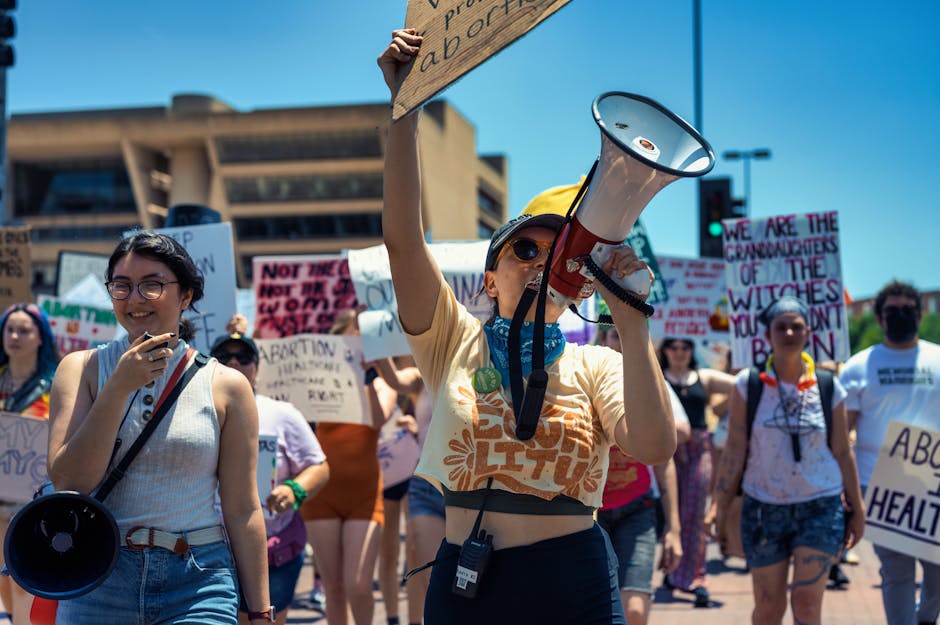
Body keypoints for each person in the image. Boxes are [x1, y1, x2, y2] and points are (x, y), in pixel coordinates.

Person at [379, 29, 676, 625]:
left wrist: (632, 325)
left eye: (555, 254)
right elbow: (404, 242)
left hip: (574, 583)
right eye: (524, 251)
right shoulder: (453, 342)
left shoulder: (598, 364)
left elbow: (653, 446)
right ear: (490, 281)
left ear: (579, 282)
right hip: (467, 582)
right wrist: (404, 112)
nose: (540, 262)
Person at [46, 232, 271, 624]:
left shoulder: (227, 385)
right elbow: (70, 480)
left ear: (185, 296)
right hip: (97, 576)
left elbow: (242, 509)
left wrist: (261, 611)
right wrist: (117, 388)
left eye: (152, 285)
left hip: (198, 579)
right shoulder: (80, 369)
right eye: (122, 285)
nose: (135, 298)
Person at [707, 295, 865, 625]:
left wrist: (858, 508)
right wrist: (718, 506)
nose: (789, 333)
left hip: (820, 506)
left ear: (808, 333)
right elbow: (734, 450)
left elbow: (842, 450)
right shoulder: (748, 384)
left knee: (806, 605)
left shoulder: (828, 386)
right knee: (768, 609)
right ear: (768, 335)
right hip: (764, 508)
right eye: (781, 327)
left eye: (796, 327)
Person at [209, 317, 331, 625]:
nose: (234, 363)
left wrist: (294, 490)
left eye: (244, 357)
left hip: (271, 550)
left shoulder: (282, 413)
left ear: (257, 368)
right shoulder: (192, 411)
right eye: (224, 357)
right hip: (207, 551)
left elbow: (319, 466)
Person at [840, 280, 940, 625]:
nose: (900, 316)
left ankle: (925, 618)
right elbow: (843, 433)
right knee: (897, 571)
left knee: (937, 569)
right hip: (879, 482)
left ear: (920, 315)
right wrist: (846, 487)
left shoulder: (938, 358)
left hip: (933, 482)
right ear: (880, 318)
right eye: (892, 311)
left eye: (907, 310)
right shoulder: (858, 366)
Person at [300, 310, 398, 625]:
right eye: (349, 342)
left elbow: (379, 418)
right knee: (334, 587)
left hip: (364, 497)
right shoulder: (321, 382)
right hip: (322, 494)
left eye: (362, 341)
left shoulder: (382, 384)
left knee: (358, 584)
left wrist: (367, 377)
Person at [595, 325, 688, 625]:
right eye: (615, 335)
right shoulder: (585, 377)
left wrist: (673, 530)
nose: (622, 343)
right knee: (596, 608)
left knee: (634, 611)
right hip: (590, 514)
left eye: (628, 335)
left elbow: (665, 461)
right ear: (603, 339)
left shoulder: (652, 382)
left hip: (638, 509)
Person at [658, 336, 736, 606]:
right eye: (673, 347)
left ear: (692, 350)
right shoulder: (656, 376)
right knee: (672, 513)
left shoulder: (704, 377)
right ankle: (673, 570)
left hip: (699, 450)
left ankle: (696, 577)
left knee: (694, 512)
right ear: (665, 349)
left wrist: (736, 359)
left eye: (685, 347)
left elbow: (743, 384)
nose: (679, 352)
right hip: (667, 450)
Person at [0, 303, 60, 624]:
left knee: (25, 587)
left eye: (24, 330)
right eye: (10, 329)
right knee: (4, 591)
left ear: (41, 337)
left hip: (30, 510)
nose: (15, 336)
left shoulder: (57, 386)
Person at [373, 357, 441, 625]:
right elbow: (394, 380)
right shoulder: (420, 376)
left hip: (464, 486)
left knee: (448, 572)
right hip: (424, 482)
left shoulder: (477, 370)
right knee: (419, 560)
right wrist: (377, 350)